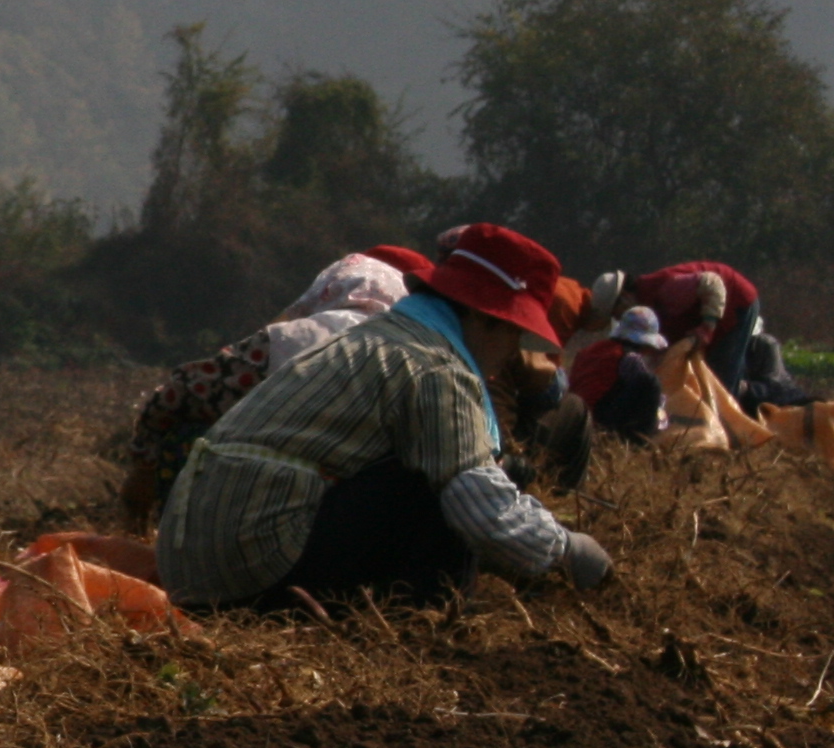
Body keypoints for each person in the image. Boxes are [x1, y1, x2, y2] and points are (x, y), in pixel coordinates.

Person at [159, 225, 615, 608]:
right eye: (514, 334)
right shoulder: (435, 367)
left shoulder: (380, 340)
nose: (512, 353)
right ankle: (430, 619)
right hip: (256, 564)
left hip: (196, 565)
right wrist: (566, 551)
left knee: (442, 469)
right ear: (484, 316)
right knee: (440, 484)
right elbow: (482, 511)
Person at [117, 252, 413, 524]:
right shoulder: (411, 357)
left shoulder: (288, 339)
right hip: (361, 518)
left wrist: (143, 467)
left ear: (329, 288)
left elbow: (180, 393)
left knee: (185, 436)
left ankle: (174, 532)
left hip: (257, 506)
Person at [622, 258, 759, 384]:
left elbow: (713, 284)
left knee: (719, 379)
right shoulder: (645, 312)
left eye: (616, 311)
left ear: (625, 297)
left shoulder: (665, 290)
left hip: (735, 302)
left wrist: (707, 328)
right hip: (716, 315)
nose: (618, 318)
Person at [562, 303, 673, 442]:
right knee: (651, 383)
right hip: (599, 420)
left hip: (576, 415)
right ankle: (641, 442)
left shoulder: (588, 351)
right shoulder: (629, 358)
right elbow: (649, 399)